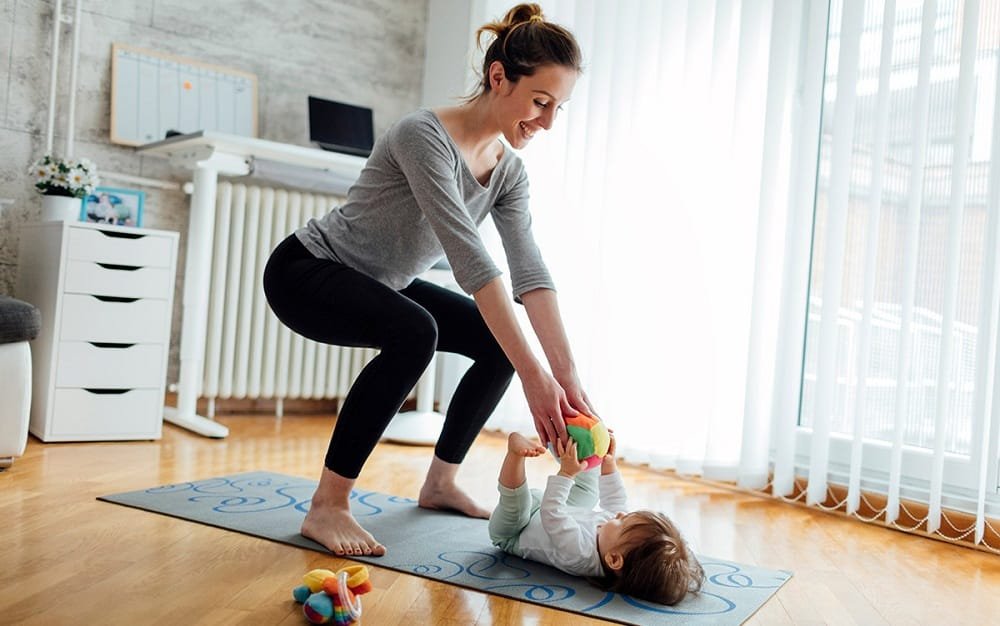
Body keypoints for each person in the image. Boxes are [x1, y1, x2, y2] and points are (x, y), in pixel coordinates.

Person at [263, 3, 592, 558]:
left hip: (383, 282)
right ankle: (328, 505)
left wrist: (566, 377)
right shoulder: (424, 135)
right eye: (541, 102)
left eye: (559, 107)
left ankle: (440, 482)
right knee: (416, 332)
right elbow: (472, 261)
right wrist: (537, 380)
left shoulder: (508, 171)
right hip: (307, 271)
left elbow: (529, 272)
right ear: (497, 77)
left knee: (495, 346)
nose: (548, 122)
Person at [489, 431, 705, 606]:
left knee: (517, 504)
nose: (620, 515)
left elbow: (551, 514)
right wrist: (608, 462)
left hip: (516, 530)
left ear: (613, 559)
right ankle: (573, 444)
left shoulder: (579, 553)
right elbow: (616, 500)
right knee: (589, 489)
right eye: (627, 516)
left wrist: (566, 474)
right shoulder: (615, 539)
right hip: (561, 510)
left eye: (623, 522)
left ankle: (515, 454)